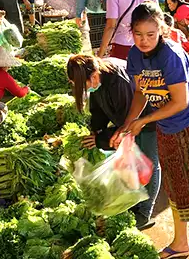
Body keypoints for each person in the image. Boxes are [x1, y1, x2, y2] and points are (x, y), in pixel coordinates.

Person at [109, 1, 189, 259]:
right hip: (167, 124)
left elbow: (181, 101)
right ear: (132, 33)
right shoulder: (134, 55)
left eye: (150, 34)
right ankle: (180, 243)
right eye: (138, 34)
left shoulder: (171, 54)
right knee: (175, 183)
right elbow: (141, 92)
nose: (144, 40)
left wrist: (144, 121)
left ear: (161, 30)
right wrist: (129, 124)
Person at [66, 54, 161, 229]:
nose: (83, 89)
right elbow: (98, 109)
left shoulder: (118, 81)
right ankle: (134, 201)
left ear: (93, 76)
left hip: (148, 119)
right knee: (131, 161)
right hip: (128, 122)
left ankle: (145, 212)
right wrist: (97, 130)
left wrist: (102, 139)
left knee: (149, 163)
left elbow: (127, 121)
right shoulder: (98, 79)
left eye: (83, 85)